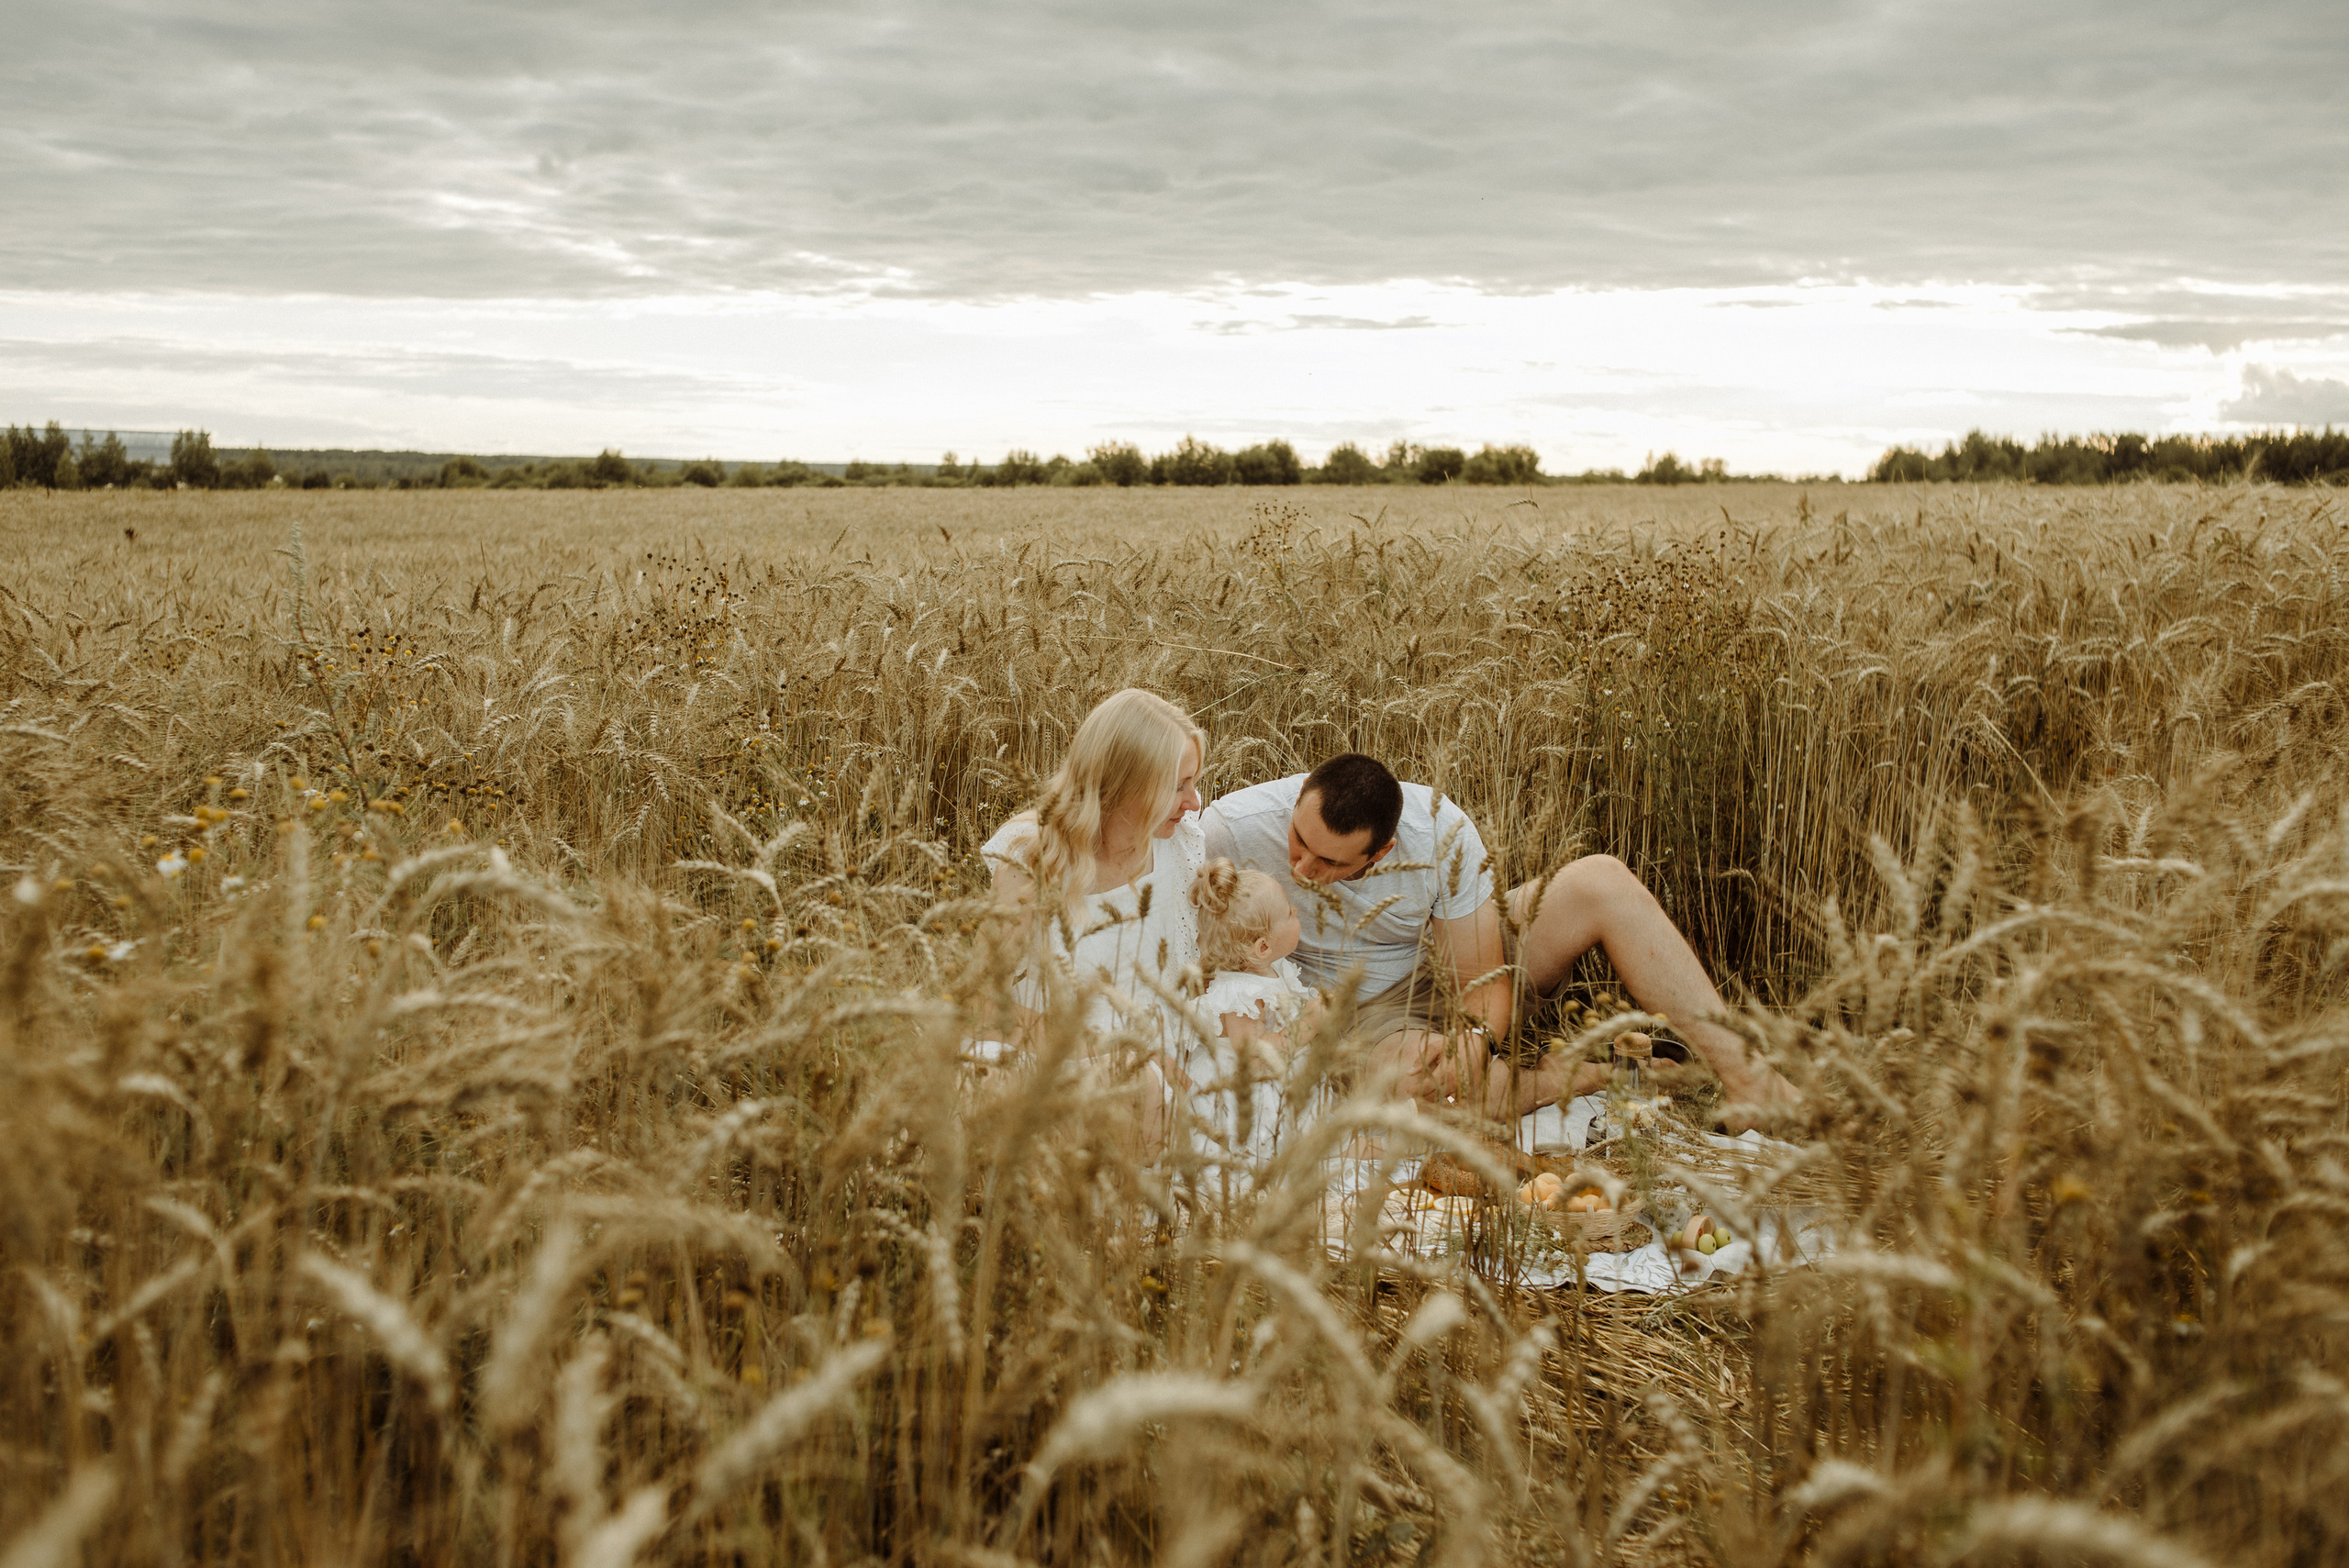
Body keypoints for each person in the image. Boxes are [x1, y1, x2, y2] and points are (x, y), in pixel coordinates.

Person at [1200, 753, 1799, 1129]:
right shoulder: (1232, 827)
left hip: (1436, 968)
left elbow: (1482, 986)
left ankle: (1752, 1081)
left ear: (1381, 851)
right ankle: (1592, 1073)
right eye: (1297, 840)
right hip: (1342, 1012)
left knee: (1601, 882)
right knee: (1431, 1098)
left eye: (1328, 861)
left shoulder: (1438, 832)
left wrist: (1475, 1041)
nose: (1301, 866)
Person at [981, 688, 1207, 1067]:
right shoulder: (1033, 859)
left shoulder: (1182, 845)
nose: (1194, 802)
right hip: (1058, 1061)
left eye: (1194, 781)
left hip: (1163, 1064)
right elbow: (983, 1004)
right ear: (1121, 784)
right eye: (1177, 786)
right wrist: (1113, 1055)